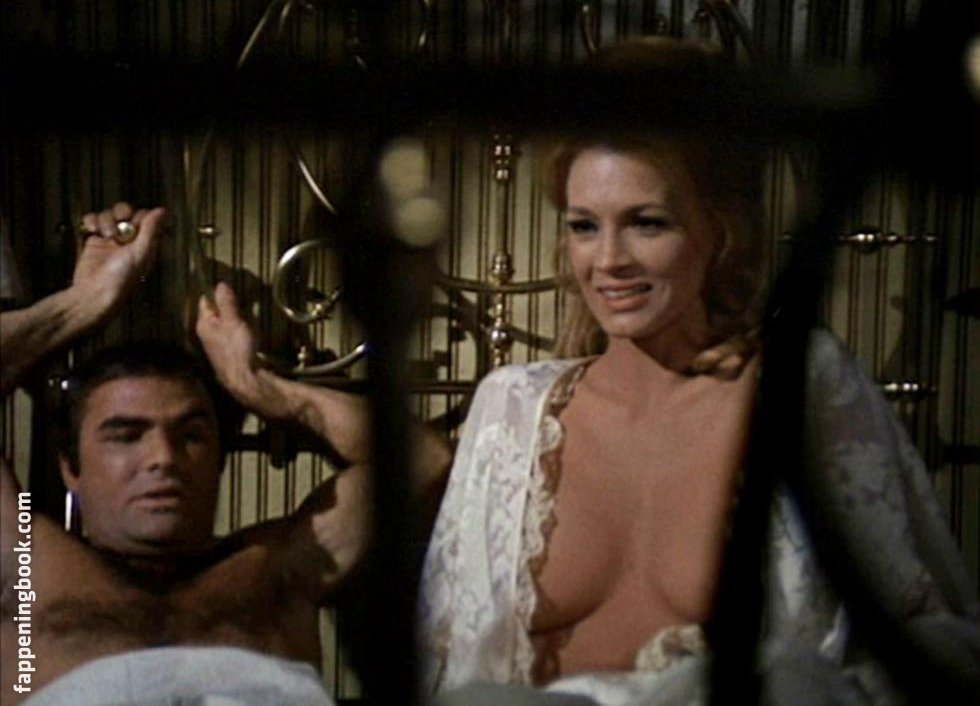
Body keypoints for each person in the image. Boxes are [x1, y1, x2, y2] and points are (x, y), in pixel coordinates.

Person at [419, 38, 979, 706]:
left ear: (720, 229)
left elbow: (922, 631)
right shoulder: (511, 408)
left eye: (647, 223)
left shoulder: (799, 383)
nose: (609, 260)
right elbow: (442, 658)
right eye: (584, 226)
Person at [0, 203, 451, 705]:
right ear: (71, 467)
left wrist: (263, 389)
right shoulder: (26, 566)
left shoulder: (280, 567)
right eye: (127, 435)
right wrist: (82, 304)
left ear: (220, 456)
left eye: (190, 435)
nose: (163, 457)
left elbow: (425, 460)